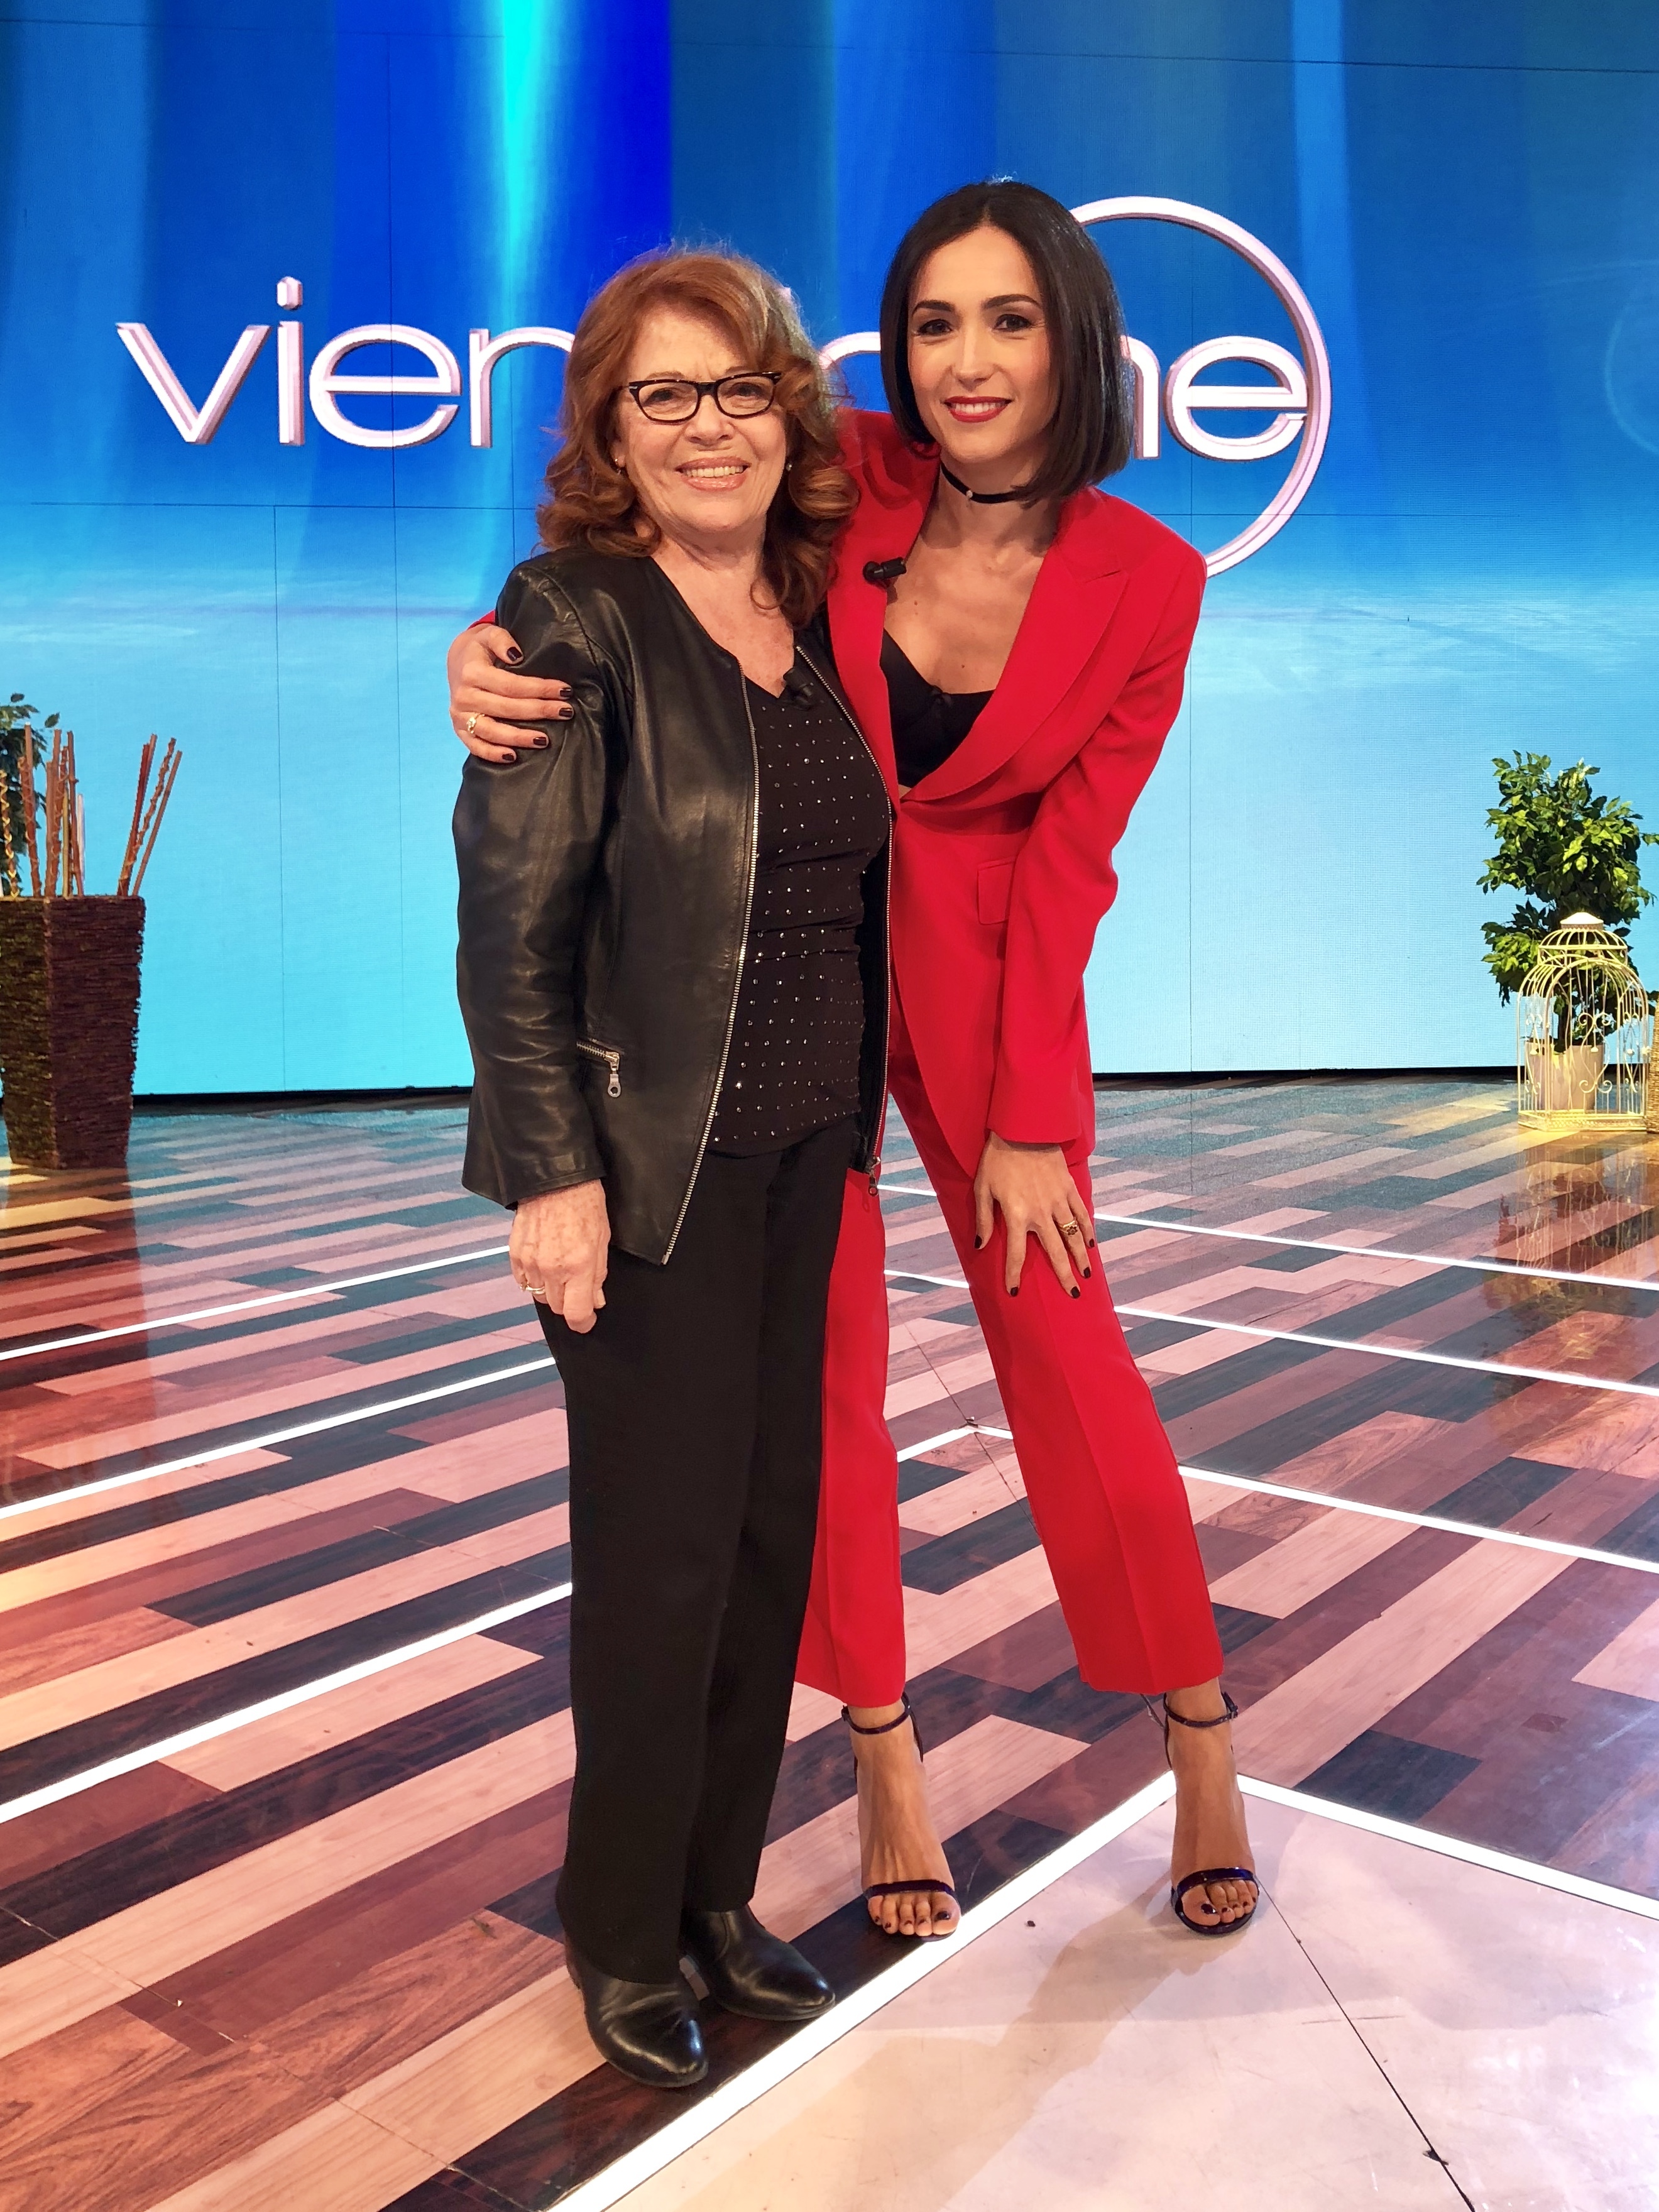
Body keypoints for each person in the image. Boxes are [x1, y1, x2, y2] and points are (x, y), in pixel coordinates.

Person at [449, 182, 1258, 1942]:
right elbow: (652, 563)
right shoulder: (854, 468)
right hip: (779, 979)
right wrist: (488, 654)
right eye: (934, 323)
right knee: (815, 1404)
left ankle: (1200, 1735)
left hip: (987, 982)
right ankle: (884, 1751)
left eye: (1011, 320)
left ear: (1078, 341)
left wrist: (1033, 1116)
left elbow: (1076, 859)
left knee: (1077, 1363)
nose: (967, 362)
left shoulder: (1151, 578)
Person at [454, 247, 892, 2088]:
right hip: (650, 1173)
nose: (709, 426)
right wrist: (551, 1176)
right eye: (664, 396)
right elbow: (511, 926)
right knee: (661, 1564)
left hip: (803, 1162)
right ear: (611, 434)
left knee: (768, 1547)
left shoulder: (824, 608)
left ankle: (718, 1899)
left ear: (789, 410)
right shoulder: (572, 618)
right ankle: (623, 1931)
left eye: (739, 389)